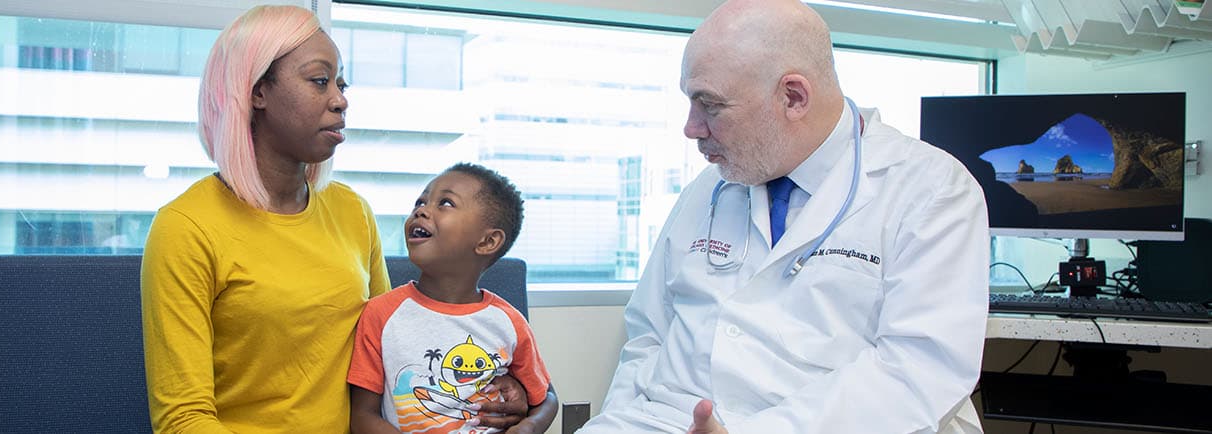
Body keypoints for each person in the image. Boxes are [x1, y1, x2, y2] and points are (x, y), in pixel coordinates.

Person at [579, 1, 990, 433]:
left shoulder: (930, 190)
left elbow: (918, 369)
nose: (691, 128)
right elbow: (648, 332)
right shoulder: (710, 188)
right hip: (669, 421)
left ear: (793, 97)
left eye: (710, 106)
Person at [140, 7, 528, 433]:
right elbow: (183, 419)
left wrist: (507, 389)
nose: (340, 99)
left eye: (341, 84)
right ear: (256, 91)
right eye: (319, 80)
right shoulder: (186, 227)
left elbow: (396, 346)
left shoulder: (352, 211)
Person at [347, 163, 558, 434]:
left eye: (445, 203)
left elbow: (547, 399)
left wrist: (529, 427)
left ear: (487, 241)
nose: (421, 210)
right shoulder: (380, 314)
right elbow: (362, 417)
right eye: (420, 201)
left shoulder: (508, 322)